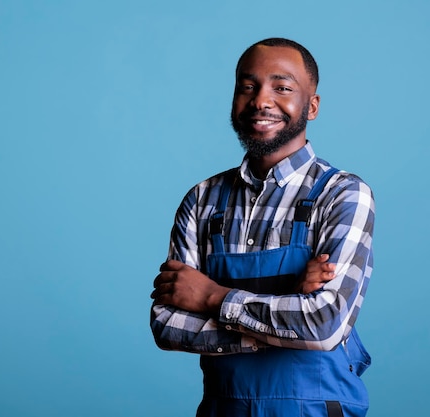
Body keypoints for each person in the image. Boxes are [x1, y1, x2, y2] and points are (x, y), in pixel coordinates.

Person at [150, 37, 374, 417]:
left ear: (312, 105)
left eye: (282, 87)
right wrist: (289, 307)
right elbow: (167, 325)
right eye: (247, 87)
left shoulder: (344, 195)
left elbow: (323, 325)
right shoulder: (202, 199)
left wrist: (210, 298)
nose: (261, 101)